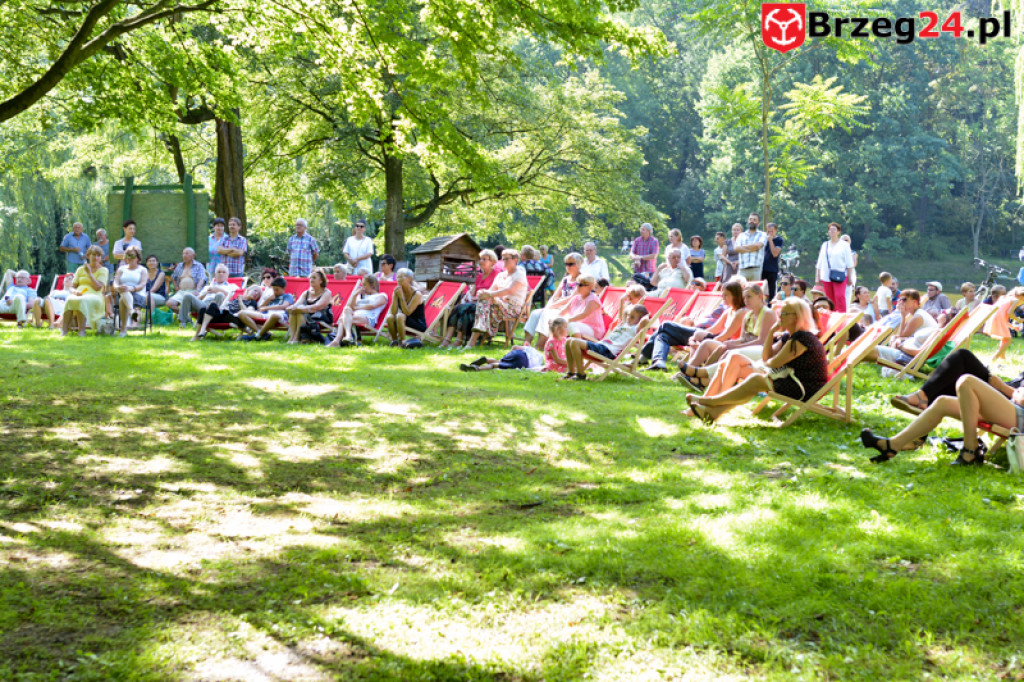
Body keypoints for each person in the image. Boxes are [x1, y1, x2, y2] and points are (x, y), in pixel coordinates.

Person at [683, 298, 827, 425]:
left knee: (756, 379)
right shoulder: (789, 336)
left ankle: (710, 402)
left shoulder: (802, 339)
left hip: (804, 388)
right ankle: (711, 410)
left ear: (796, 317)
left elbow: (773, 363)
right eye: (780, 313)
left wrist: (765, 363)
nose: (780, 317)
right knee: (729, 363)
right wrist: (771, 332)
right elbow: (766, 358)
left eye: (784, 314)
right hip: (790, 379)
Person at [861, 372, 1024, 466]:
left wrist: (1016, 393)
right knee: (942, 402)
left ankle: (970, 449)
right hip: (1014, 406)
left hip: (1020, 416)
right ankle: (893, 445)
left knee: (966, 381)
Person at [674, 284, 777, 387]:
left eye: (749, 297)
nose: (746, 300)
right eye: (744, 297)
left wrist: (735, 346)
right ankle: (691, 373)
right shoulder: (748, 315)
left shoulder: (767, 313)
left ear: (760, 296)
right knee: (710, 344)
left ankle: (703, 379)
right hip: (748, 347)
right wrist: (730, 343)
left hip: (762, 351)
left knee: (730, 352)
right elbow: (742, 339)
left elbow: (762, 341)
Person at [642, 281, 745, 371]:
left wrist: (700, 339)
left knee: (666, 325)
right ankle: (658, 362)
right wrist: (695, 337)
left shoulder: (740, 312)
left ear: (735, 296)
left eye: (726, 295)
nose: (722, 297)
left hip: (721, 342)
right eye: (722, 294)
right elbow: (713, 329)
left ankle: (644, 355)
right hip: (708, 336)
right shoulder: (728, 311)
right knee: (663, 335)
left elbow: (725, 336)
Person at [562, 304, 649, 380]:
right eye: (629, 315)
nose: (628, 318)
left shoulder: (635, 329)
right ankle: (571, 372)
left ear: (639, 320)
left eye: (632, 317)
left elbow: (645, 321)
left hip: (607, 351)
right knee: (568, 341)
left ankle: (580, 374)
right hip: (601, 346)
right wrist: (627, 307)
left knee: (574, 342)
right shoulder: (624, 324)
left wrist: (648, 315)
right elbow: (625, 312)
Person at [465, 249, 529, 348]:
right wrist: (482, 293)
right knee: (484, 300)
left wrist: (489, 294)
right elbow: (491, 290)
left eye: (506, 259)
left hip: (512, 307)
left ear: (515, 260)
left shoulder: (519, 274)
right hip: (499, 304)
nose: (503, 261)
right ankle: (477, 333)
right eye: (502, 259)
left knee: (485, 301)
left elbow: (509, 290)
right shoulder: (501, 275)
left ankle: (474, 337)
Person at [439, 250, 499, 348]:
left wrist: (476, 298)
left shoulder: (496, 275)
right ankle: (448, 339)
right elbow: (473, 291)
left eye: (484, 259)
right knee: (458, 307)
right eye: (481, 259)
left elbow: (494, 292)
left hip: (487, 303)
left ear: (492, 261)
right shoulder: (479, 275)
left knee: (464, 308)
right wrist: (469, 296)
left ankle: (458, 340)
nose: (481, 261)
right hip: (475, 302)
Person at [521, 252, 582, 346]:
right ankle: (526, 344)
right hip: (558, 307)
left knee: (546, 313)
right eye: (566, 264)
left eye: (571, 264)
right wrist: (549, 305)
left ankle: (540, 345)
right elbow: (555, 296)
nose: (568, 266)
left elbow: (572, 298)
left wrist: (554, 305)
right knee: (535, 313)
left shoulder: (581, 280)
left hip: (571, 310)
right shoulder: (566, 279)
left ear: (578, 264)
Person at [867, 289, 937, 367]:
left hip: (912, 355)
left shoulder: (917, 317)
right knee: (893, 339)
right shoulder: (919, 314)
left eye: (904, 300)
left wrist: (903, 316)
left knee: (869, 350)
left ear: (914, 302)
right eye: (899, 299)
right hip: (916, 351)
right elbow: (902, 336)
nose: (900, 302)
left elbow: (901, 335)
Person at [532, 275, 604, 348]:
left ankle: (577, 348)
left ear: (589, 287)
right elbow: (563, 311)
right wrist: (555, 320)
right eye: (577, 284)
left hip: (593, 330)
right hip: (578, 325)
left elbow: (583, 314)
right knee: (557, 322)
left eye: (580, 285)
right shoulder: (576, 297)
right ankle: (553, 347)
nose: (577, 287)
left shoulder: (593, 299)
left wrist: (566, 320)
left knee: (571, 324)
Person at [62, 246, 109, 336]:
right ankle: (64, 331)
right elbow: (72, 287)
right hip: (79, 294)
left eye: (98, 255)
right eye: (94, 255)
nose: (96, 258)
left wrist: (90, 274)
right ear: (88, 256)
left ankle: (81, 331)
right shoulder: (80, 269)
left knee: (82, 300)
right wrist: (75, 292)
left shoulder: (103, 270)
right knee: (69, 299)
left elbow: (98, 287)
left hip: (95, 295)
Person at [331, 274, 389, 346]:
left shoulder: (382, 296)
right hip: (354, 316)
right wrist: (355, 295)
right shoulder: (361, 296)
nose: (362, 287)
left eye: (364, 284)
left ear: (373, 284)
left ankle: (337, 340)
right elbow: (351, 307)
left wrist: (356, 308)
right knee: (346, 309)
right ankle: (347, 336)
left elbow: (372, 306)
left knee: (342, 319)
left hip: (368, 318)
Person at [190, 285, 262, 341]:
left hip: (235, 318)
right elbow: (224, 306)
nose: (256, 294)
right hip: (224, 315)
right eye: (255, 291)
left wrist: (240, 301)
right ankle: (199, 334)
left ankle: (201, 331)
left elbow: (247, 312)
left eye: (258, 294)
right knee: (205, 308)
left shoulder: (252, 303)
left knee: (216, 308)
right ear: (248, 290)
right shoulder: (235, 299)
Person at [814, 222, 855, 312]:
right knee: (830, 298)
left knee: (839, 296)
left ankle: (842, 315)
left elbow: (849, 263)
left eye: (834, 229)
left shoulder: (844, 245)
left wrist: (849, 277)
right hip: (826, 275)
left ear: (838, 232)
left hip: (839, 275)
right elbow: (820, 261)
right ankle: (832, 316)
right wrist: (817, 276)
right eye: (830, 229)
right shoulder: (825, 245)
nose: (831, 231)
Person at [285, 270, 333, 344]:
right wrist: (292, 307)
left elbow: (317, 307)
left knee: (300, 312)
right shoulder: (306, 293)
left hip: (322, 316)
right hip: (308, 313)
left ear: (321, 281)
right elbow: (297, 304)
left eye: (314, 278)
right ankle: (292, 337)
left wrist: (300, 308)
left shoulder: (327, 293)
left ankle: (296, 337)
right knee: (294, 311)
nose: (311, 280)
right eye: (310, 278)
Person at [238, 275, 292, 341]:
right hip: (266, 315)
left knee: (274, 315)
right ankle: (261, 334)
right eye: (273, 289)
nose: (275, 291)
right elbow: (260, 308)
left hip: (280, 315)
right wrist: (268, 299)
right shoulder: (271, 297)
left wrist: (267, 308)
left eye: (277, 289)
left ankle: (258, 336)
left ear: (284, 288)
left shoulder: (288, 296)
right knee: (241, 313)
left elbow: (284, 306)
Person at [112, 247, 149, 336]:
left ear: (138, 258)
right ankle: (131, 311)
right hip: (122, 293)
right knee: (123, 295)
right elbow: (115, 283)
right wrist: (118, 288)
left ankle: (123, 330)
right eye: (128, 255)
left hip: (138, 295)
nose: (130, 258)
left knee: (122, 299)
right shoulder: (121, 269)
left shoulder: (142, 270)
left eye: (132, 256)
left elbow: (142, 285)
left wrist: (131, 288)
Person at [167, 248, 209, 326]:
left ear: (193, 256)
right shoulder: (180, 265)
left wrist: (198, 289)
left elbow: (202, 278)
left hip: (192, 291)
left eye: (187, 253)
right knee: (170, 303)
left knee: (190, 302)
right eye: (183, 253)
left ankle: (184, 320)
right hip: (181, 292)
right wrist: (176, 287)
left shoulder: (198, 265)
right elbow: (173, 277)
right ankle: (186, 317)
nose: (184, 255)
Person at [385, 268, 426, 344]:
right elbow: (393, 312)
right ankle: (395, 341)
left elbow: (407, 312)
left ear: (409, 279)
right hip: (404, 321)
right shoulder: (398, 291)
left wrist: (401, 297)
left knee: (400, 316)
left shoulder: (417, 294)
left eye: (401, 277)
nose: (398, 279)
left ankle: (402, 341)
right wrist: (395, 296)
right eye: (397, 277)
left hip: (418, 324)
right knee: (389, 317)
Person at [984, 285, 1024, 362]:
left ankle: (1002, 356)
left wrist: (1013, 327)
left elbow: (1003, 317)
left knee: (1005, 338)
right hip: (998, 318)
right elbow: (1010, 313)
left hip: (994, 316)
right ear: (1022, 297)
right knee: (1008, 339)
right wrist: (1018, 319)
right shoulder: (1015, 301)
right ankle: (994, 358)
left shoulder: (1005, 298)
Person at [734, 213, 767, 282]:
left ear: (758, 223)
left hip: (755, 270)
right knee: (741, 291)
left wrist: (742, 248)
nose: (751, 221)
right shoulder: (741, 235)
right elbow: (736, 248)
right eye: (750, 219)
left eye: (754, 220)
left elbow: (757, 246)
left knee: (754, 292)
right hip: (742, 270)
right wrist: (752, 248)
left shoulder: (763, 234)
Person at [762, 222, 783, 301]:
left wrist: (770, 241)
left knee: (772, 291)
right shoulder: (762, 240)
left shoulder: (779, 240)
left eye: (772, 231)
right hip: (762, 269)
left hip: (772, 270)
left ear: (776, 231)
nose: (770, 233)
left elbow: (775, 254)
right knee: (761, 290)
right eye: (768, 231)